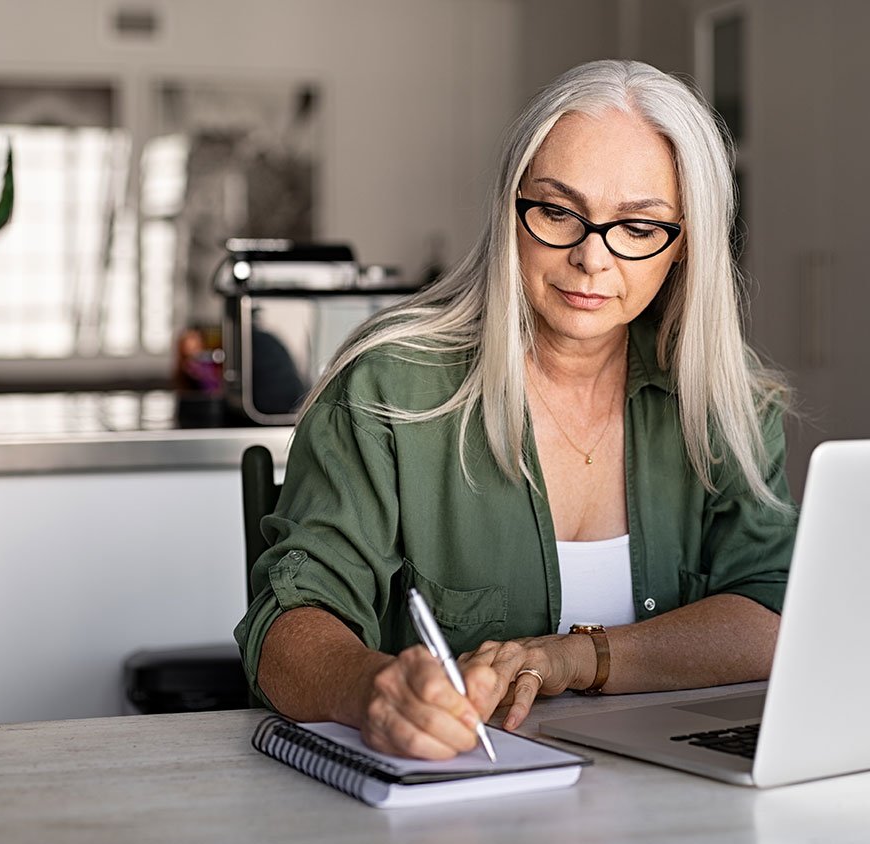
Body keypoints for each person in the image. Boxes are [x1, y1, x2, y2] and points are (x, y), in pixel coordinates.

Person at [234, 59, 797, 761]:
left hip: (679, 792)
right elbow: (287, 625)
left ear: (684, 246)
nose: (592, 258)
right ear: (511, 209)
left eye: (638, 226)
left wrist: (574, 657)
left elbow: (772, 614)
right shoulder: (387, 386)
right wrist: (370, 688)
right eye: (559, 212)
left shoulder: (727, 399)